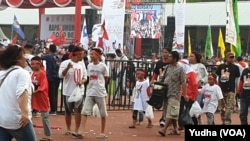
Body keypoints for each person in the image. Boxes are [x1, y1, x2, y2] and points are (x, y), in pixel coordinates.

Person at [0, 44, 36, 140]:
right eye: (24, 55)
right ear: (17, 58)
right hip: (18, 121)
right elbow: (22, 92)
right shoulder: (22, 73)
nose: (26, 58)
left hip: (2, 120)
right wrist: (24, 113)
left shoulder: (1, 74)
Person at [59, 46, 87, 138]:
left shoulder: (82, 64)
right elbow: (61, 76)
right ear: (77, 54)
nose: (83, 56)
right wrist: (67, 68)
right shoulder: (65, 63)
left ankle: (77, 129)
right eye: (82, 54)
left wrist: (81, 82)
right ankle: (68, 128)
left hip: (79, 91)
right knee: (68, 111)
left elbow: (85, 77)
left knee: (78, 110)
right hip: (68, 91)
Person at [81, 47, 109, 139]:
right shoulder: (89, 66)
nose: (91, 56)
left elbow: (106, 77)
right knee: (85, 111)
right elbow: (89, 77)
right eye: (90, 54)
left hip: (100, 92)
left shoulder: (103, 66)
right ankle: (82, 131)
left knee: (103, 113)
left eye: (92, 54)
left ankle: (102, 132)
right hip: (90, 91)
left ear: (97, 55)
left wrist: (102, 86)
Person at [158, 51, 187, 136]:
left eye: (170, 56)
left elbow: (183, 82)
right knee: (170, 112)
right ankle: (176, 130)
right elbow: (163, 79)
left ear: (175, 58)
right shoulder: (167, 67)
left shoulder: (180, 69)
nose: (168, 57)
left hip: (175, 93)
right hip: (166, 92)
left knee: (171, 112)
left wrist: (185, 94)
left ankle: (164, 129)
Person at [30, 56, 52, 141]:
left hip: (41, 97)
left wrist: (36, 91)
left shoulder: (42, 73)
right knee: (29, 115)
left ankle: (48, 135)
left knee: (45, 116)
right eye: (31, 64)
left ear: (39, 64)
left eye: (34, 64)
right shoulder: (32, 73)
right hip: (33, 96)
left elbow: (44, 85)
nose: (32, 66)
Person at [215, 52, 240, 125]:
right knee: (222, 107)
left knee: (230, 106)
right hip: (221, 89)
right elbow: (217, 77)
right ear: (226, 58)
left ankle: (227, 121)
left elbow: (237, 79)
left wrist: (237, 89)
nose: (232, 59)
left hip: (231, 89)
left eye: (233, 57)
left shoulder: (236, 68)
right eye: (230, 57)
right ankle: (223, 120)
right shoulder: (221, 66)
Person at [150, 47, 171, 127]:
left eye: (166, 52)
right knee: (160, 100)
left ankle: (164, 118)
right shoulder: (159, 63)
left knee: (167, 102)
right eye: (163, 52)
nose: (164, 54)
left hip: (169, 84)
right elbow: (155, 74)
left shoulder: (170, 63)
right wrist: (152, 81)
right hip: (161, 84)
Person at [177, 59, 199, 130]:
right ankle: (181, 125)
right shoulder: (181, 73)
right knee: (181, 110)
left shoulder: (191, 73)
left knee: (188, 111)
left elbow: (194, 84)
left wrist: (195, 95)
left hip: (189, 95)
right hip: (181, 94)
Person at [41, 44, 61, 115]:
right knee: (55, 93)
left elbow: (40, 58)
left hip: (51, 77)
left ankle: (53, 110)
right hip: (57, 77)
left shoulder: (48, 56)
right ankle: (54, 109)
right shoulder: (58, 56)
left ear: (49, 49)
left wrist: (43, 53)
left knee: (51, 94)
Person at [237, 58, 250, 125]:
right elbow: (241, 82)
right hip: (244, 95)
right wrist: (238, 92)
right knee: (242, 114)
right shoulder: (245, 71)